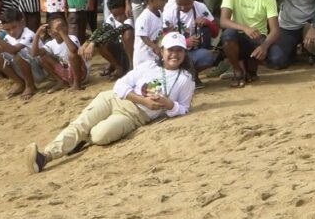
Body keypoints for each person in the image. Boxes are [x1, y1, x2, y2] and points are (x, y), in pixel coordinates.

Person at [35, 38, 198, 169]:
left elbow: (184, 108)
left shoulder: (185, 79)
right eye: (171, 50)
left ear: (184, 53)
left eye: (179, 50)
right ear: (162, 51)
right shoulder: (148, 65)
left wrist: (169, 104)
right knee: (81, 124)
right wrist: (143, 101)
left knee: (100, 135)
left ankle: (81, 140)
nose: (174, 54)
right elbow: (120, 85)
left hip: (134, 116)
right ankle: (46, 155)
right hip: (115, 99)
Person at [216, 0, 279, 85]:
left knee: (275, 59)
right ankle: (237, 71)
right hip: (237, 37)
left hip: (257, 38)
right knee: (228, 35)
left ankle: (250, 70)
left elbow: (275, 30)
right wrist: (245, 28)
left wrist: (264, 46)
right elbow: (223, 21)